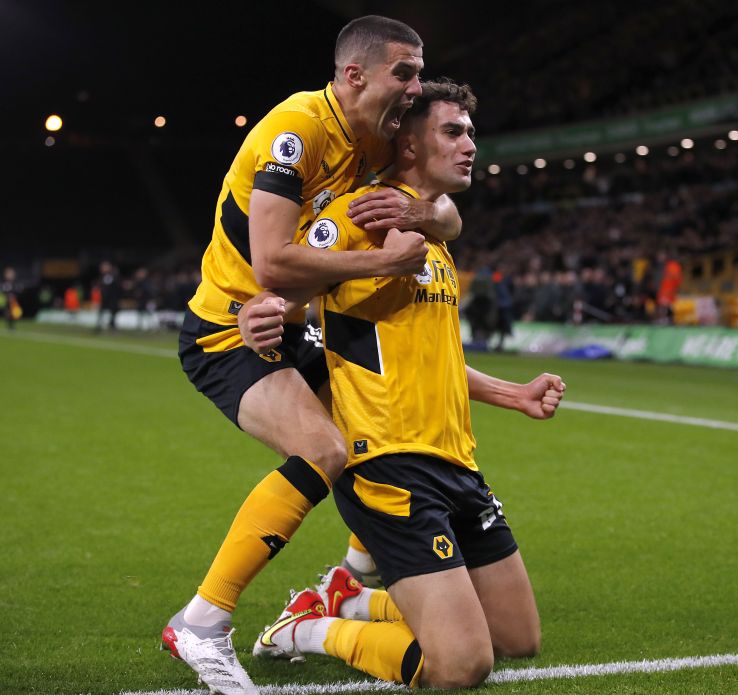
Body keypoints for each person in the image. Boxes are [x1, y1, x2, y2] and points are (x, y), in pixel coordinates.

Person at [161, 16, 464, 695]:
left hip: (287, 323)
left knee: (377, 430)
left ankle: (349, 579)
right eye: (405, 72)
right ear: (353, 75)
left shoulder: (373, 140)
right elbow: (270, 262)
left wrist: (424, 220)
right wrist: (377, 262)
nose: (415, 86)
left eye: (420, 71)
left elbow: (450, 211)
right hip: (229, 330)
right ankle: (201, 621)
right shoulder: (296, 130)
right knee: (326, 449)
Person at [239, 79, 566, 688]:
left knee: (518, 640)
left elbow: (427, 357)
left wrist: (511, 394)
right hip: (388, 464)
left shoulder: (434, 233)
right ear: (409, 146)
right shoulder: (359, 213)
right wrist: (262, 313)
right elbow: (283, 286)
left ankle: (351, 599)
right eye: (453, 131)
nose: (470, 144)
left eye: (471, 132)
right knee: (461, 665)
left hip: (456, 460)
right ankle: (306, 629)